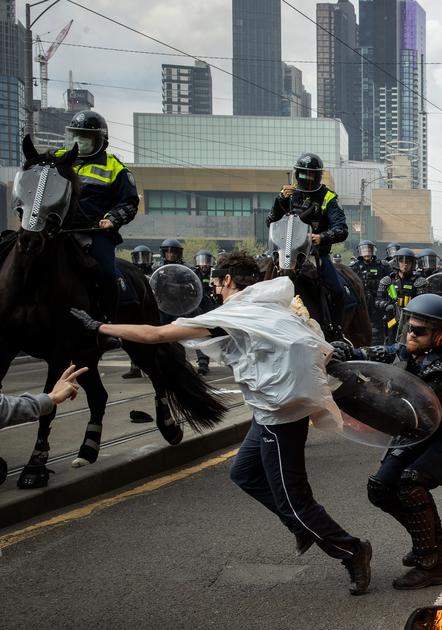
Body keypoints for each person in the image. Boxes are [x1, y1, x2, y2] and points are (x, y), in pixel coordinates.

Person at [70, 251, 372, 595]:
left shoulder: (238, 311)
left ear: (226, 280)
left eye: (216, 282)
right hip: (272, 411)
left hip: (279, 416)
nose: (215, 289)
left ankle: (352, 550)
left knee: (295, 501)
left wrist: (100, 327)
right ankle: (303, 526)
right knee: (243, 473)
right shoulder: (268, 305)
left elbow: (156, 334)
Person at [329, 294, 442, 589]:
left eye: (420, 330)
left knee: (410, 483)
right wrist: (345, 353)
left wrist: (357, 384)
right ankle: (433, 538)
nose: (411, 333)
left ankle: (432, 564)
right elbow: (381, 353)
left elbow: (401, 408)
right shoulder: (412, 350)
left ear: (441, 334)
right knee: (380, 489)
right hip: (415, 432)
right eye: (410, 326)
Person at [58, 110, 139, 322]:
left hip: (94, 232)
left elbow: (129, 203)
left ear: (100, 140)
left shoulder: (115, 168)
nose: (78, 141)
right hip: (55, 228)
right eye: (75, 135)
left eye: (85, 136)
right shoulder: (57, 159)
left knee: (106, 272)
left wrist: (112, 218)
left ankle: (106, 321)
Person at [267, 153, 350, 305]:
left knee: (337, 291)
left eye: (311, 175)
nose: (307, 178)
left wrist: (322, 237)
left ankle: (335, 327)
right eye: (303, 173)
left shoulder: (328, 197)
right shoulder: (288, 194)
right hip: (283, 253)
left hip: (315, 255)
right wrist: (280, 200)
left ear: (318, 176)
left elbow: (342, 229)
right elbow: (271, 222)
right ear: (296, 174)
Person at [377, 248, 424, 343]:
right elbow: (378, 301)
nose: (405, 264)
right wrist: (387, 305)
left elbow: (423, 304)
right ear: (397, 263)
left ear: (413, 264)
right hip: (392, 320)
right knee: (390, 343)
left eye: (408, 262)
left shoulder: (419, 281)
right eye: (402, 261)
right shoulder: (388, 280)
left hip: (411, 321)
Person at [352, 240, 386, 343]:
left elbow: (392, 283)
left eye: (369, 250)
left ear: (373, 251)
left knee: (377, 328)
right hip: (361, 302)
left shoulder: (382, 266)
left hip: (377, 301)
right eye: (364, 250)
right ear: (360, 252)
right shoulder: (354, 267)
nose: (366, 252)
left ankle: (378, 347)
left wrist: (393, 299)